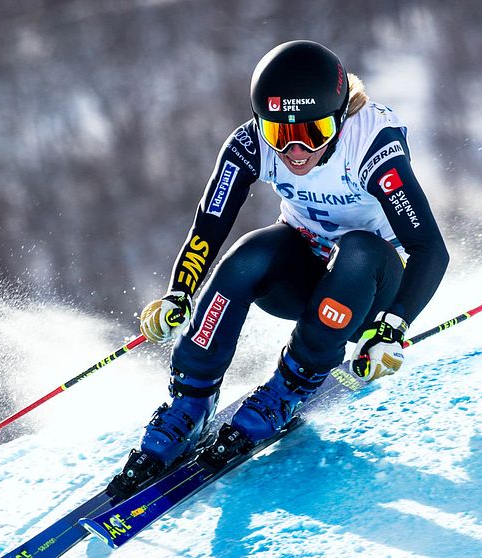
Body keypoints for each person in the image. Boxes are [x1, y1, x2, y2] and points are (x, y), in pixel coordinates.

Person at [107, 40, 449, 497]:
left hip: (365, 296)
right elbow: (210, 224)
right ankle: (191, 400)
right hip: (302, 282)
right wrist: (178, 293)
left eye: (313, 132)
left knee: (360, 249)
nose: (295, 151)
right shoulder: (250, 144)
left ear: (342, 115)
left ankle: (290, 387)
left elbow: (430, 247)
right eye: (278, 134)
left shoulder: (371, 143)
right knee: (249, 254)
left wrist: (392, 327)